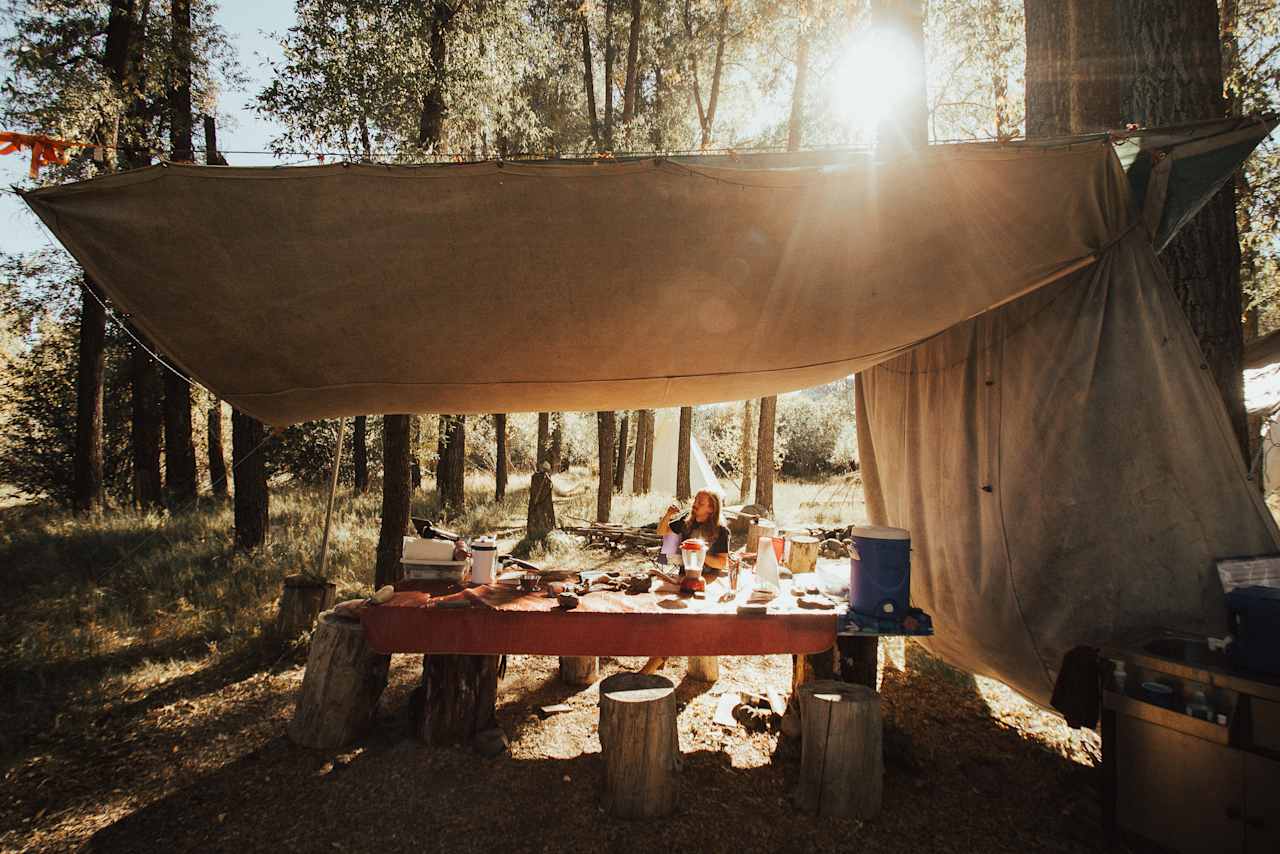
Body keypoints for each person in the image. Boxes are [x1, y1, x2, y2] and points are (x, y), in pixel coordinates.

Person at [640, 488, 731, 675]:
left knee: (685, 622)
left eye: (701, 502)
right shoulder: (686, 523)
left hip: (709, 582)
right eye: (696, 499)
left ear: (712, 509)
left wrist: (700, 554)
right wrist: (668, 515)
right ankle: (659, 657)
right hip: (683, 578)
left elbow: (722, 563)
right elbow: (661, 531)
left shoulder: (722, 531)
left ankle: (658, 659)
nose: (695, 503)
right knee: (663, 612)